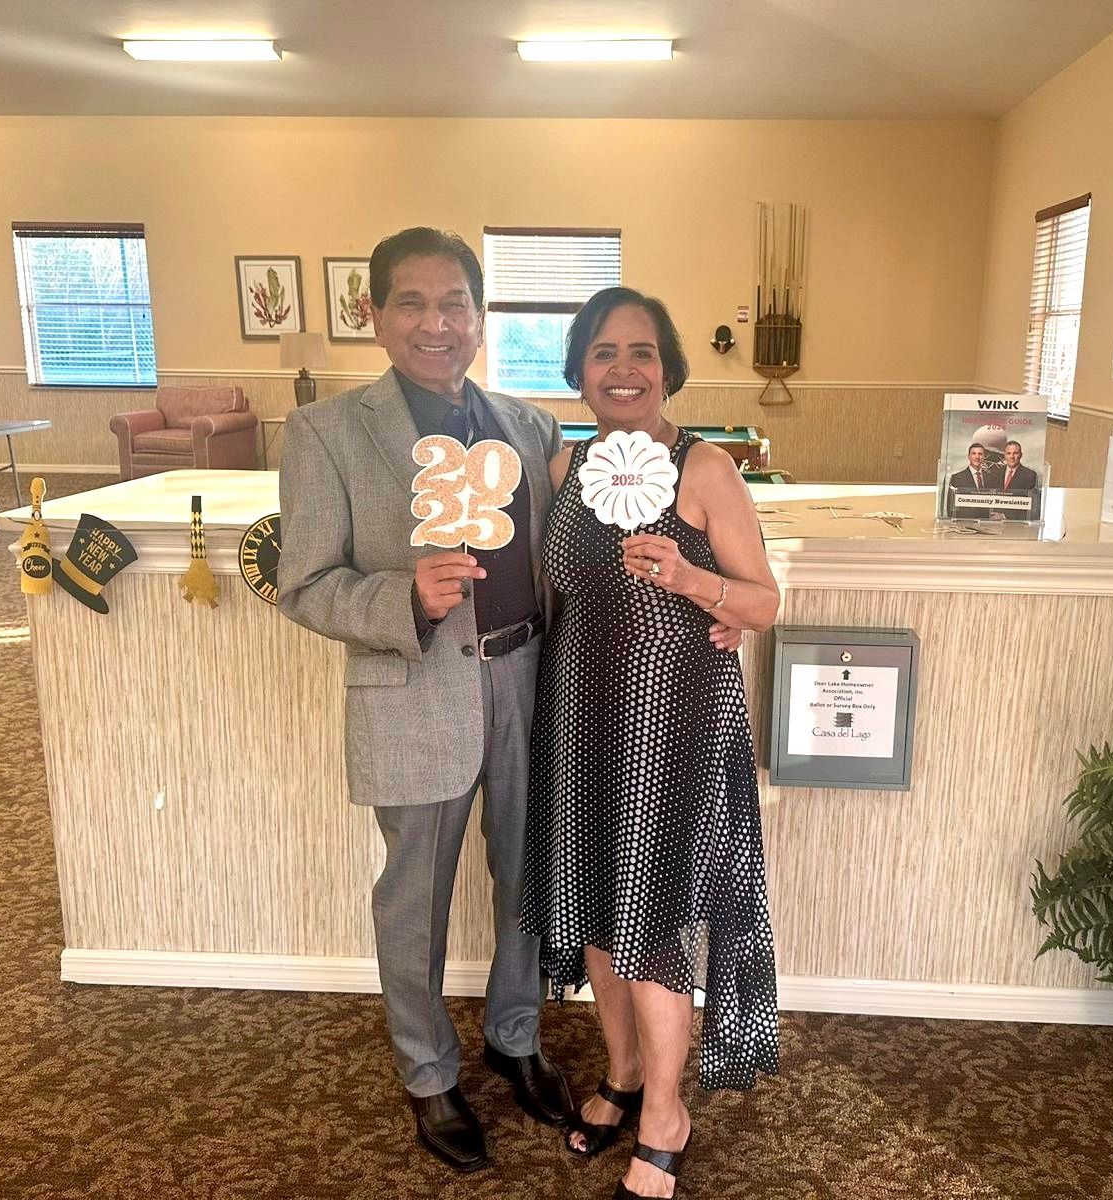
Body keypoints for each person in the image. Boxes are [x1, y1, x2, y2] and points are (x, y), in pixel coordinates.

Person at [274, 227, 575, 1174]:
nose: (435, 323)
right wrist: (401, 595)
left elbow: (569, 562)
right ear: (375, 314)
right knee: (417, 897)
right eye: (412, 302)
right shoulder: (328, 431)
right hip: (415, 687)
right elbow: (305, 582)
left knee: (529, 880)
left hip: (530, 680)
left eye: (454, 305)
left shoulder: (529, 429)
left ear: (482, 319)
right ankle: (427, 1073)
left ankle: (514, 1036)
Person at [521, 287, 781, 1200]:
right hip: (579, 719)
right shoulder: (563, 470)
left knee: (653, 917)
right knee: (596, 908)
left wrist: (690, 578)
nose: (623, 369)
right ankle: (624, 1073)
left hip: (671, 728)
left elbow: (763, 602)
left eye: (640, 352)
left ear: (667, 367)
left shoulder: (703, 469)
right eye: (603, 353)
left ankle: (666, 1110)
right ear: (578, 373)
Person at [947, 442, 995, 517]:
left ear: (984, 457)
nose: (977, 457)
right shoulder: (957, 478)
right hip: (965, 524)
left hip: (987, 524)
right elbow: (951, 509)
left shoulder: (991, 478)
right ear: (969, 456)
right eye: (974, 453)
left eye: (980, 454)